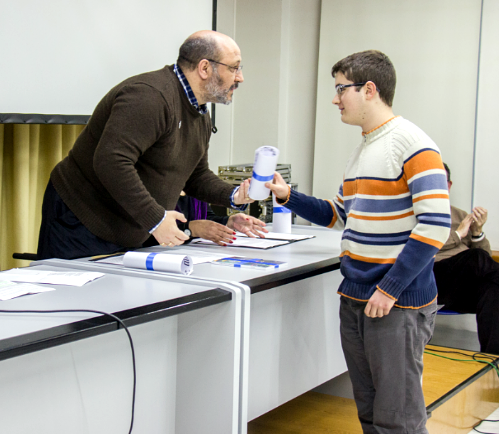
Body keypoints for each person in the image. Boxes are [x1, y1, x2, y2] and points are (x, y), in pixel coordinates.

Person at [266, 50, 451, 433]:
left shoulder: (414, 144)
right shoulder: (364, 149)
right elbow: (342, 214)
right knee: (368, 409)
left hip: (394, 302)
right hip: (356, 297)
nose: (335, 99)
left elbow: (435, 226)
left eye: (340, 89)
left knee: (397, 417)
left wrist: (390, 289)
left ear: (369, 89)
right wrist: (289, 197)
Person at [37, 30, 253, 260]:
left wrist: (234, 195)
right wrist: (156, 219)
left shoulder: (199, 112)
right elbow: (111, 161)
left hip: (128, 226)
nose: (240, 78)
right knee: (72, 295)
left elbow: (195, 175)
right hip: (81, 217)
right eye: (234, 68)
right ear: (204, 68)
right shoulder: (151, 97)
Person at [433, 163, 499, 354]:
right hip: (434, 278)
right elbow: (419, 245)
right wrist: (458, 234)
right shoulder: (414, 215)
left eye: (442, 182)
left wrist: (477, 233)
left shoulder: (460, 215)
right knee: (475, 257)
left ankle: (492, 362)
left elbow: (486, 261)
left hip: (462, 286)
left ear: (449, 185)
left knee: (493, 289)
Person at [143, 192, 268, 247]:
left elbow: (206, 218)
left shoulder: (194, 187)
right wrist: (191, 230)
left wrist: (228, 222)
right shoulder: (156, 190)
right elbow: (146, 237)